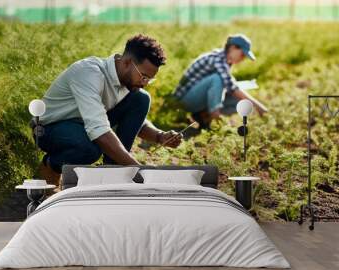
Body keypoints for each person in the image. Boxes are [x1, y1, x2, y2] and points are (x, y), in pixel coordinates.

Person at [35, 34, 182, 185]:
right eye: (143, 76)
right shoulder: (89, 73)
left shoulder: (126, 81)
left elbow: (134, 122)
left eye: (149, 79)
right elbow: (99, 131)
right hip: (50, 128)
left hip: (83, 124)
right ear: (127, 62)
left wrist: (159, 136)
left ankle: (113, 172)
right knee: (90, 148)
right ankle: (50, 166)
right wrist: (138, 169)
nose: (145, 83)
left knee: (141, 98)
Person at [173, 34, 268, 130]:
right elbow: (232, 87)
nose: (243, 59)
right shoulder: (217, 59)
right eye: (242, 54)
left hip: (196, 98)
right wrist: (259, 107)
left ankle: (203, 117)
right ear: (233, 48)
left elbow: (230, 86)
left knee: (238, 99)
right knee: (217, 79)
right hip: (184, 101)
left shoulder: (225, 61)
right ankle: (215, 119)